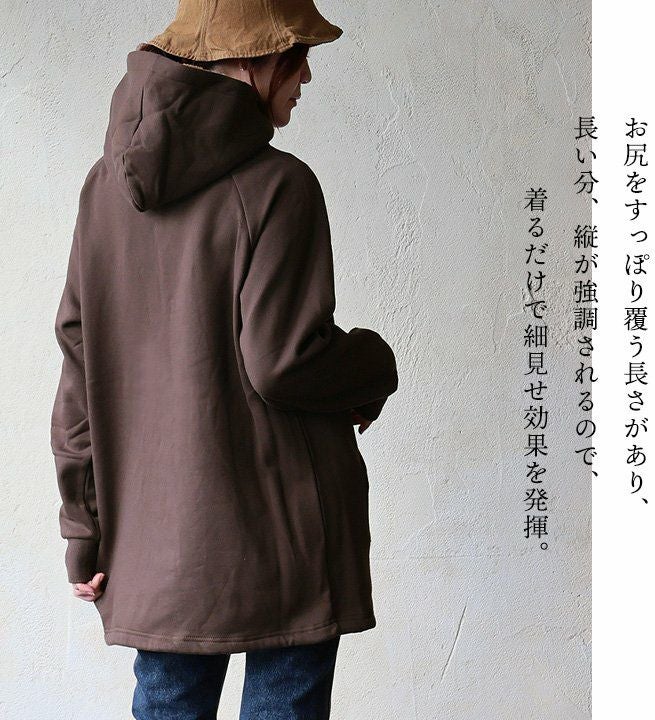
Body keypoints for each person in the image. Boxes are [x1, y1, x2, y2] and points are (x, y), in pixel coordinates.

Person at [49, 1, 399, 717]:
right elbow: (284, 361)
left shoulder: (102, 187)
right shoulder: (280, 185)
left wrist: (85, 530)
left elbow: (79, 365)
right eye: (296, 56)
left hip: (157, 539)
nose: (306, 76)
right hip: (285, 529)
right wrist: (374, 366)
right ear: (250, 60)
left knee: (168, 702)